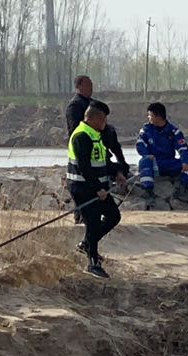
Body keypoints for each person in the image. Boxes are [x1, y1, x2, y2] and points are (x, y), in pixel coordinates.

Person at [68, 103, 121, 279]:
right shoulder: (81, 136)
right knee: (92, 223)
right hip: (83, 188)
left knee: (114, 216)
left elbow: (102, 161)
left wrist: (117, 172)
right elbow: (84, 167)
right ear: (91, 118)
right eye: (102, 119)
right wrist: (97, 188)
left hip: (98, 189)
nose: (104, 123)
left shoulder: (95, 135)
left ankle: (86, 244)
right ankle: (93, 263)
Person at [65, 76, 129, 181]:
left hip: (98, 142)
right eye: (88, 85)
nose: (91, 88)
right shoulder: (75, 106)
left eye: (91, 85)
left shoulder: (92, 103)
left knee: (111, 131)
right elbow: (75, 129)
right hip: (87, 144)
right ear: (78, 86)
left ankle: (121, 163)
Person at [135, 103, 188, 192]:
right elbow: (140, 144)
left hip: (169, 163)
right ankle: (147, 188)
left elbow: (183, 148)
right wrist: (147, 155)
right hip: (154, 163)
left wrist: (184, 161)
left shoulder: (173, 131)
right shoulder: (146, 130)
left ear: (158, 116)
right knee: (144, 161)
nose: (148, 117)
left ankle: (183, 186)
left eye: (150, 115)